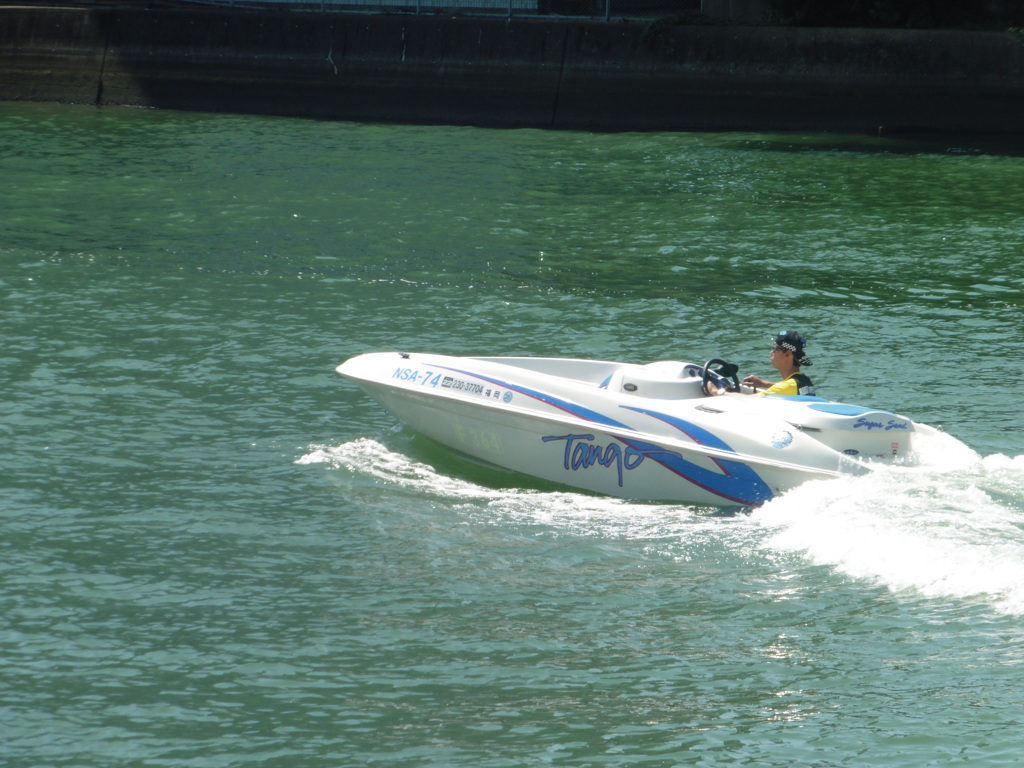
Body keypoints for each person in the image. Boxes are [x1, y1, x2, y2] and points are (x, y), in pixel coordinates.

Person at [708, 330, 815, 397]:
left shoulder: (786, 387)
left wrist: (716, 391)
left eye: (775, 348)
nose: (771, 352)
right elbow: (787, 388)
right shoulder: (804, 381)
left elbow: (748, 400)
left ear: (787, 354)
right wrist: (763, 383)